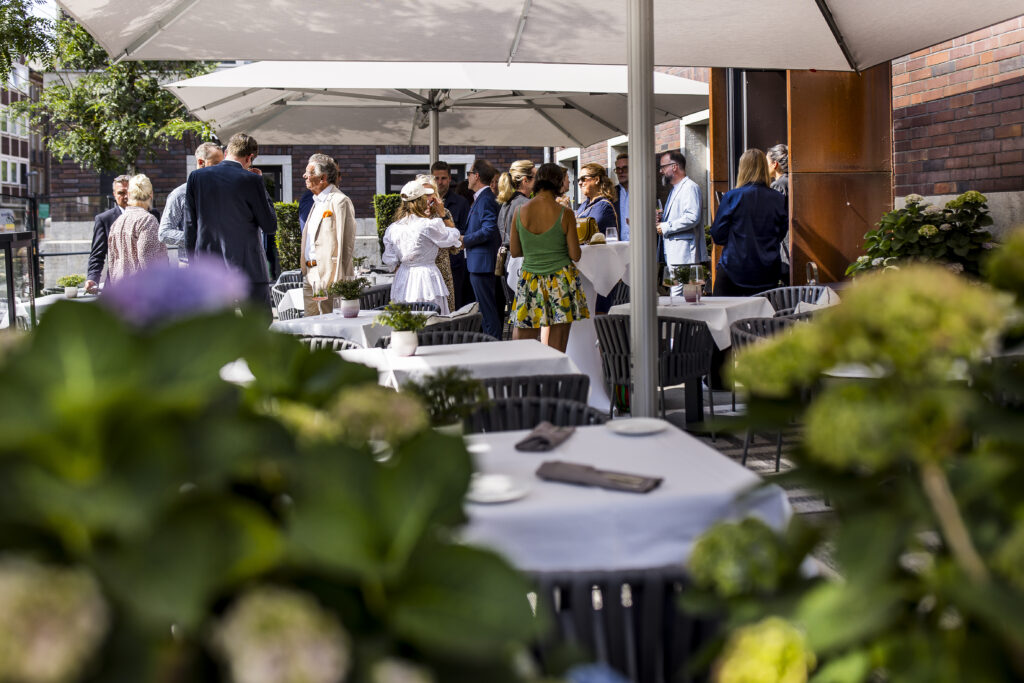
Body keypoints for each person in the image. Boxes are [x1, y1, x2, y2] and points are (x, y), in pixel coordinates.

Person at [184, 132, 278, 311]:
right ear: (250, 157)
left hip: (209, 267)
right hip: (247, 266)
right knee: (257, 327)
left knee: (218, 329)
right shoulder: (252, 180)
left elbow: (190, 225)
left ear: (227, 151)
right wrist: (262, 187)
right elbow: (269, 225)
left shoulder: (197, 178)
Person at [509, 162, 589, 352]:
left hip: (531, 280)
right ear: (558, 183)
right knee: (557, 350)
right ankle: (554, 381)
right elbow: (575, 255)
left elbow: (515, 251)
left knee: (522, 348)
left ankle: (524, 381)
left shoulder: (519, 212)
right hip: (561, 281)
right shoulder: (565, 214)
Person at [710, 148, 788, 296]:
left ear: (742, 169)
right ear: (765, 168)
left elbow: (718, 235)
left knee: (721, 316)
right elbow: (780, 233)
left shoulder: (732, 196)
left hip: (734, 268)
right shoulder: (778, 198)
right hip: (767, 271)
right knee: (762, 317)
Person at [382, 178, 462, 314]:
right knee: (431, 317)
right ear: (421, 200)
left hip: (403, 276)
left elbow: (390, 259)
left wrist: (407, 264)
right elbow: (453, 236)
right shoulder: (428, 225)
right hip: (426, 275)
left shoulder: (393, 228)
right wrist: (443, 216)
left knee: (405, 319)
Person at [300, 153, 357, 316]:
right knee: (309, 325)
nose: (304, 176)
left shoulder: (339, 201)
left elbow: (346, 243)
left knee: (329, 324)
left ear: (323, 177)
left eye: (309, 172)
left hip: (328, 275)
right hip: (309, 274)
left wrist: (340, 278)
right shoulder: (315, 201)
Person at [159, 142, 224, 265]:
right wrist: (198, 237)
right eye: (216, 164)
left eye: (222, 164)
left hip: (220, 265)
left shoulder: (223, 191)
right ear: (201, 162)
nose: (221, 169)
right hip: (190, 265)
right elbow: (164, 233)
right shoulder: (180, 194)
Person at [656, 150, 704, 297]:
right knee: (678, 293)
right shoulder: (675, 189)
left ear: (674, 167)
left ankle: (680, 320)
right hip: (676, 252)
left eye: (663, 167)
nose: (660, 171)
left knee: (681, 294)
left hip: (684, 252)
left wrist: (665, 226)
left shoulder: (689, 187)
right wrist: (662, 216)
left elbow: (692, 217)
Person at [463, 158, 502, 339]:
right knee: (486, 310)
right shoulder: (482, 198)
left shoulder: (486, 199)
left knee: (488, 311)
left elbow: (489, 229)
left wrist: (465, 240)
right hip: (479, 263)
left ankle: (494, 346)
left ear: (476, 176)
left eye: (469, 174)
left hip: (482, 264)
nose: (468, 178)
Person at [106, 174, 167, 283]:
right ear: (151, 194)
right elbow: (148, 261)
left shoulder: (117, 222)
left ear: (129, 194)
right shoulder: (147, 220)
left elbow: (111, 261)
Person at [576, 162, 619, 314]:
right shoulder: (585, 205)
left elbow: (585, 230)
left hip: (600, 269)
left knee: (600, 311)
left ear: (596, 179)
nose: (580, 182)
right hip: (587, 267)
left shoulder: (603, 205)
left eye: (584, 178)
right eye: (578, 180)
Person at [431, 161, 473, 308]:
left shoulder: (461, 203)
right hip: (432, 264)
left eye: (443, 178)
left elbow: (465, 233)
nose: (440, 182)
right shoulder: (423, 206)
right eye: (436, 178)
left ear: (449, 179)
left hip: (454, 264)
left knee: (455, 305)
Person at [85, 175, 130, 292]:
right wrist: (92, 278)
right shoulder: (104, 219)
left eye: (129, 192)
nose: (126, 196)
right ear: (114, 194)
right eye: (121, 193)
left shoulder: (148, 215)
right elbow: (97, 254)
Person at [496, 160, 535, 247]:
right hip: (522, 258)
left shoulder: (506, 203)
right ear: (525, 180)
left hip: (508, 258)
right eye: (536, 177)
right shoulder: (526, 204)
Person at [767, 143, 791, 283]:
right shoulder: (789, 181)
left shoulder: (778, 185)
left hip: (784, 242)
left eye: (767, 162)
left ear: (774, 164)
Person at [612, 152, 630, 240]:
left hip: (640, 246)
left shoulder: (642, 191)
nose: (620, 172)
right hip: (619, 247)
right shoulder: (612, 193)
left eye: (625, 168)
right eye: (618, 169)